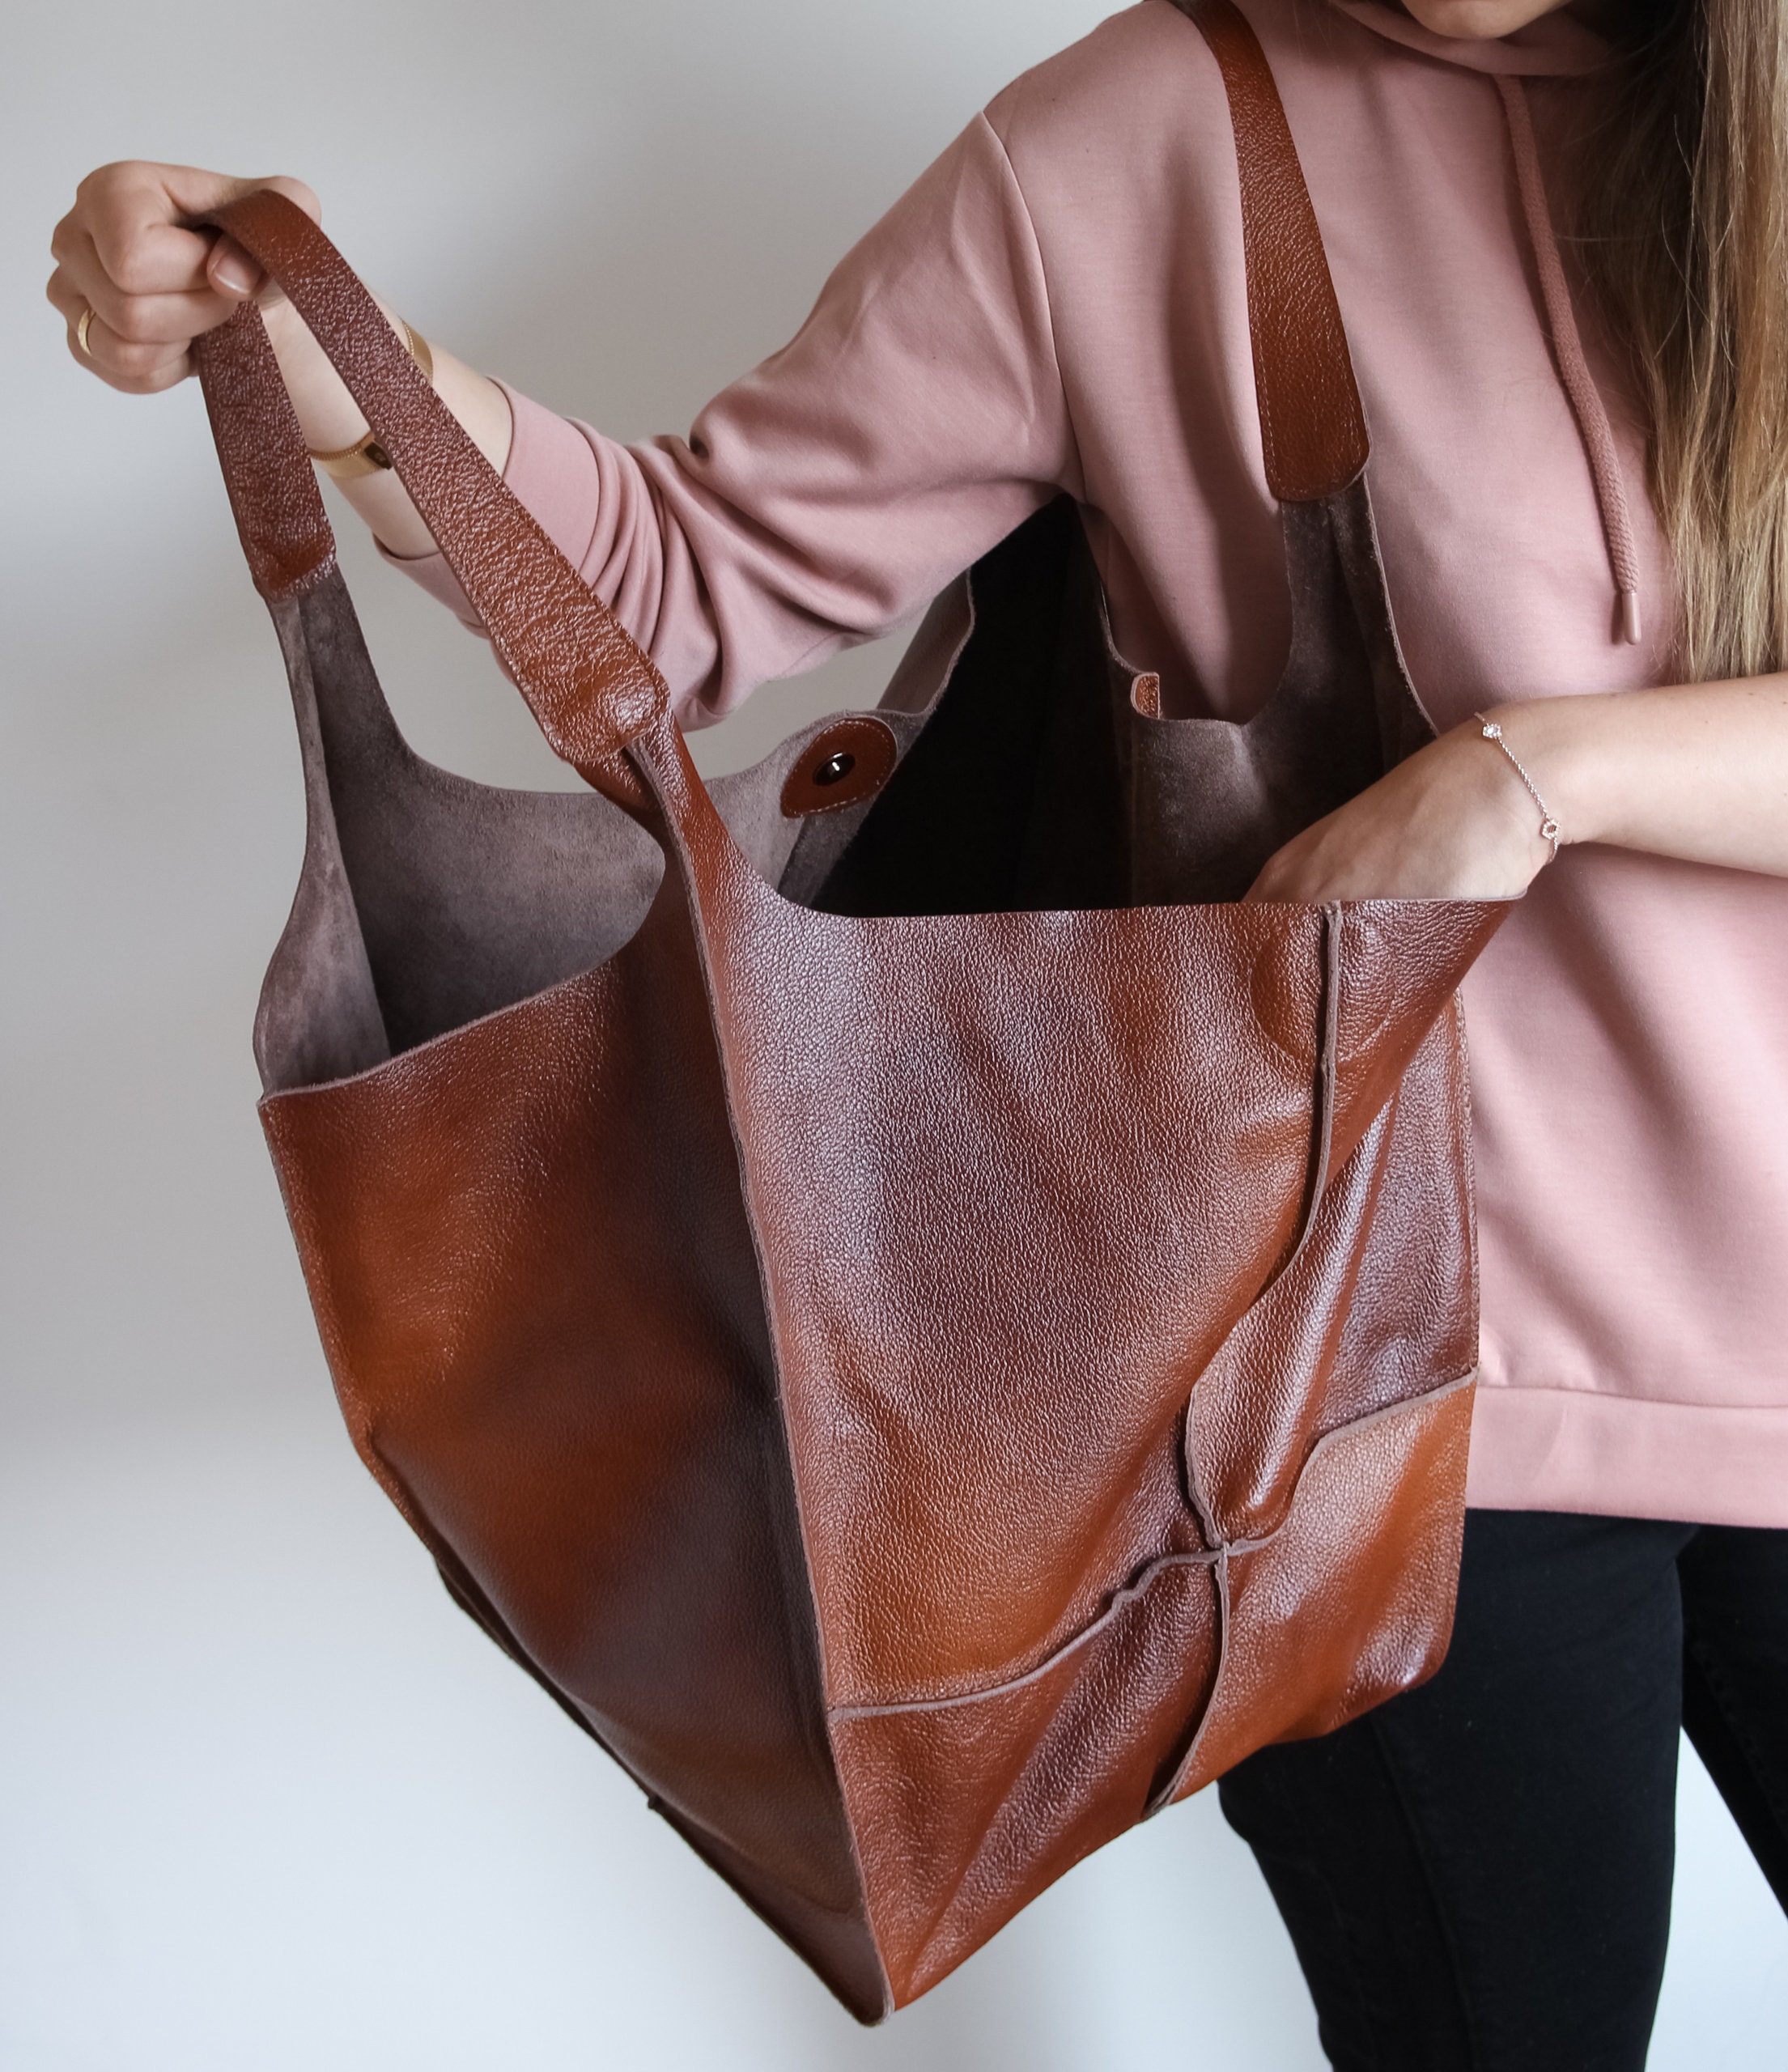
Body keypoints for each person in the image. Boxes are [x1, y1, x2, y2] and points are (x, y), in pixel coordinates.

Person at [47, 0, 1788, 2061]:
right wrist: (360, 382)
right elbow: (694, 585)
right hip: (1389, 1404)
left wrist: (1529, 768)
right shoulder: (1154, 141)